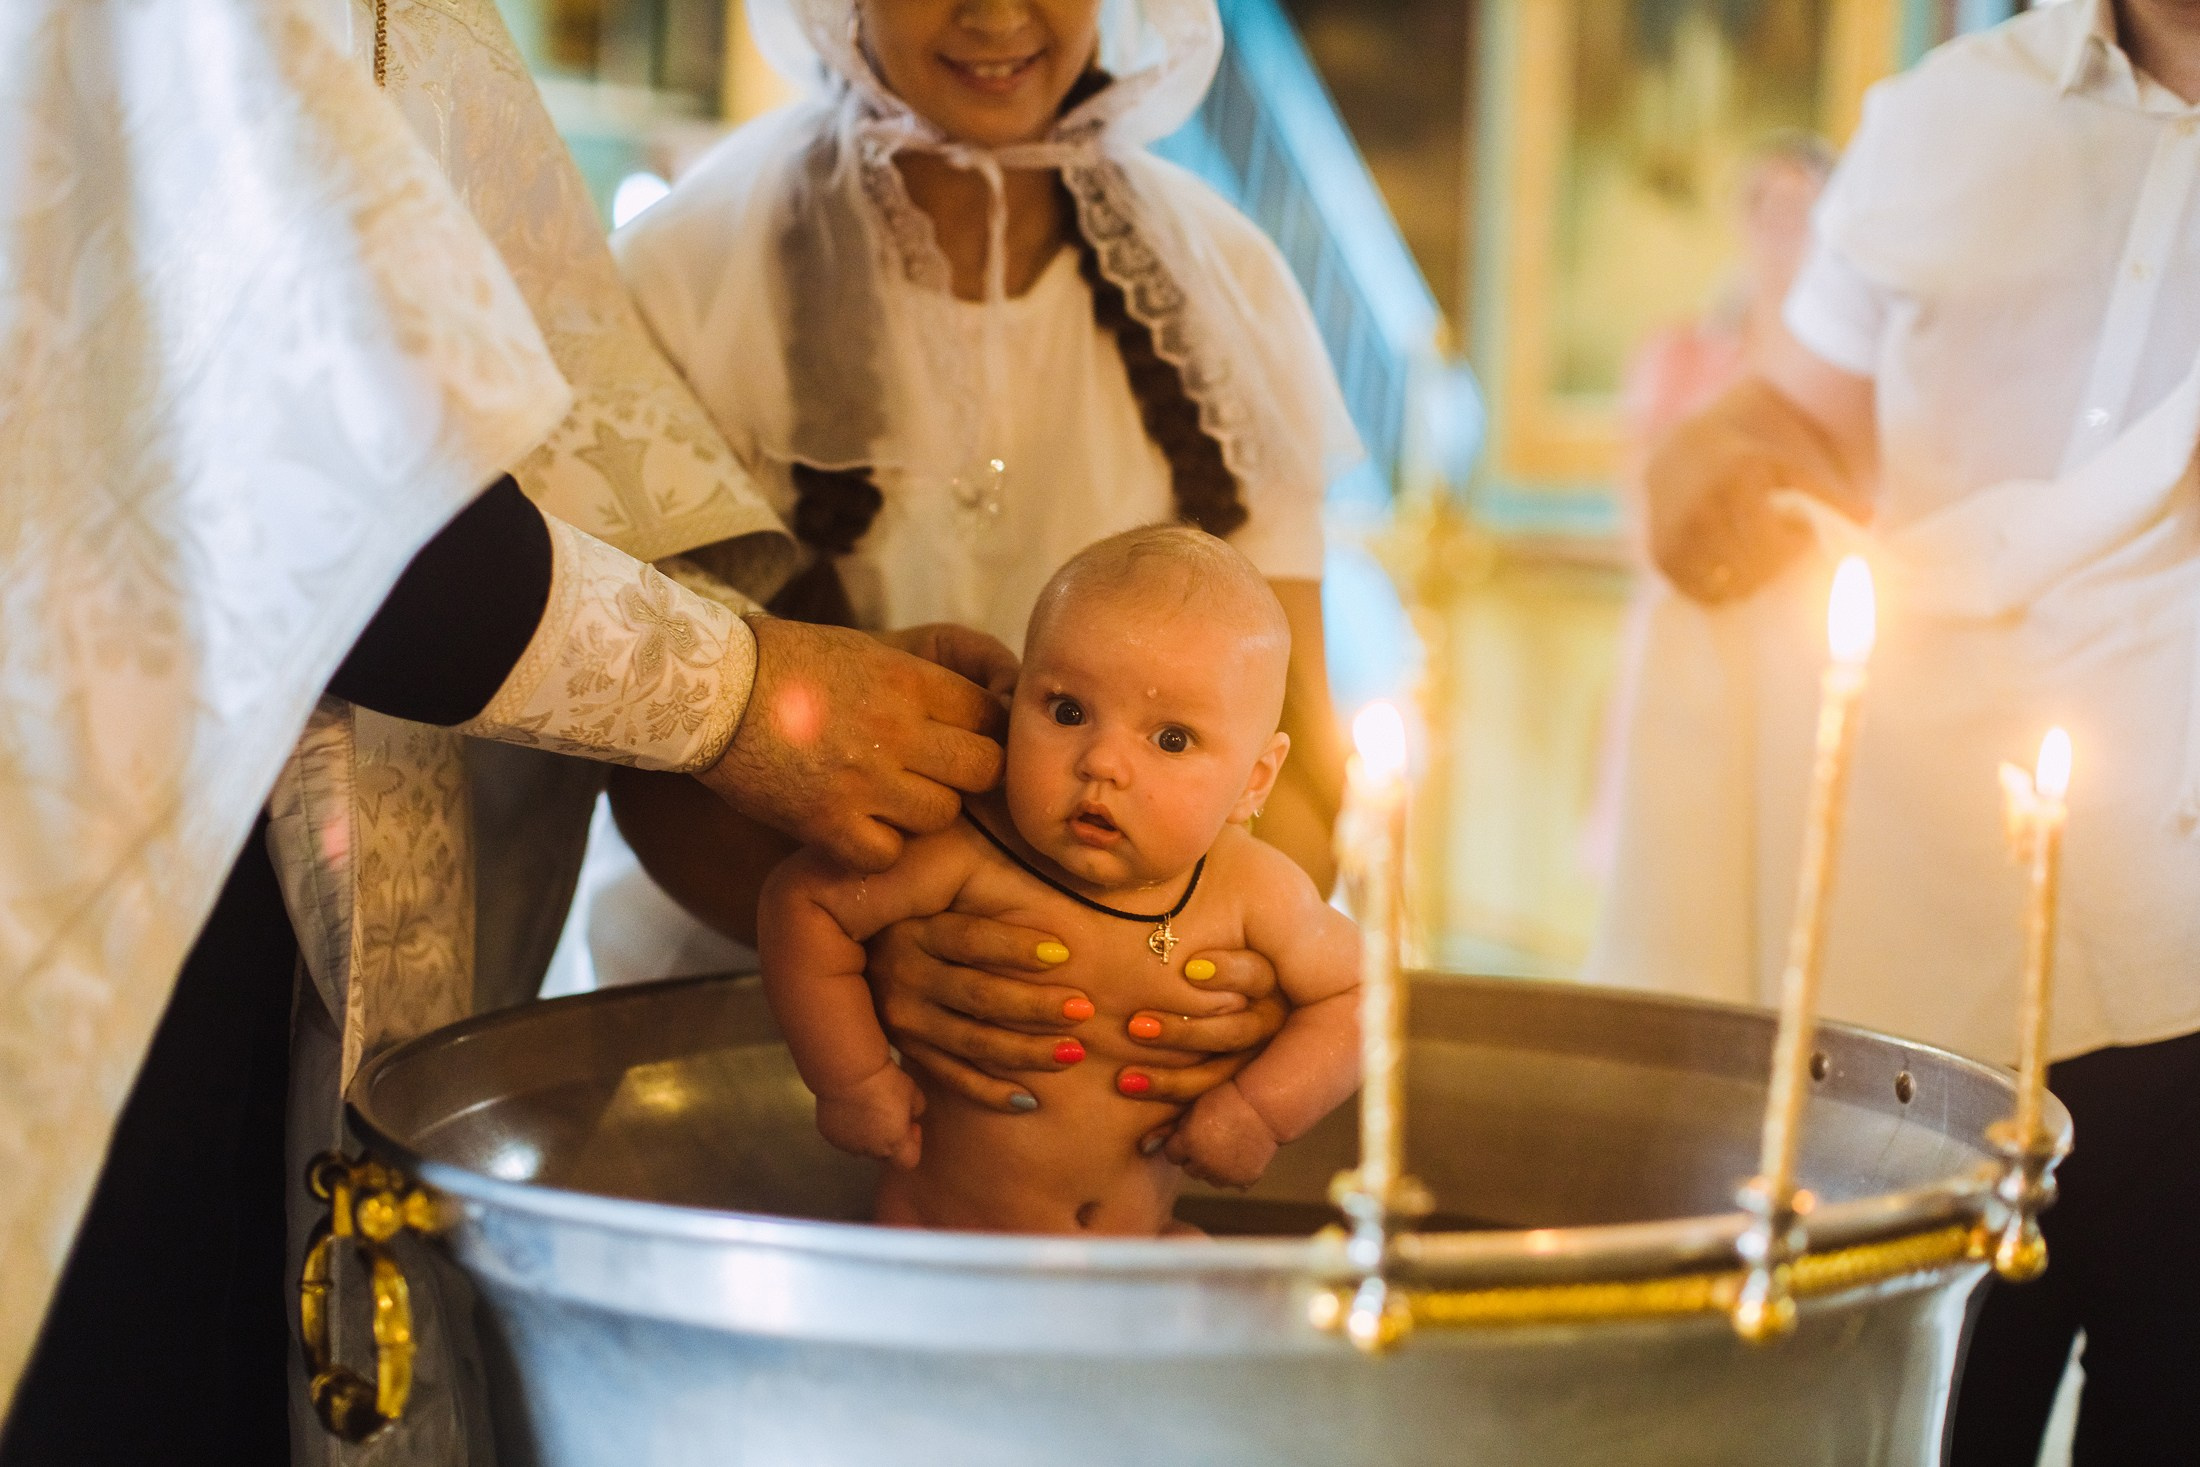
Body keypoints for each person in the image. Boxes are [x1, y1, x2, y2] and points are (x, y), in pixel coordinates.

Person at [0, 1, 1003, 1462]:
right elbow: (325, 474)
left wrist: (840, 700)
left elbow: (582, 425)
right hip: (112, 863)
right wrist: (747, 699)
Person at [1595, 1, 2200, 1459]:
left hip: (2193, 958)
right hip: (1930, 944)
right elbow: (1788, 416)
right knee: (1910, 1417)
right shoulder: (1942, 117)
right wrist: (1725, 464)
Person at [607, 0, 1361, 1128]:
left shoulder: (1230, 292)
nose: (999, 15)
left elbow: (1295, 762)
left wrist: (1203, 972)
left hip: (1116, 1079)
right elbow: (646, 739)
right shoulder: (685, 275)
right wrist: (876, 960)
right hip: (753, 1031)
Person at [760, 529, 1361, 1233]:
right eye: (1068, 711)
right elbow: (804, 905)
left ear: (1253, 780)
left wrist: (1258, 1112)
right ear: (1013, 703)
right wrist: (854, 1078)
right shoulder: (964, 850)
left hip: (1133, 1257)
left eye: (1171, 738)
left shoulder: (1249, 890)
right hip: (940, 1247)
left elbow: (1363, 994)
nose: (1102, 761)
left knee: (1216, 1281)